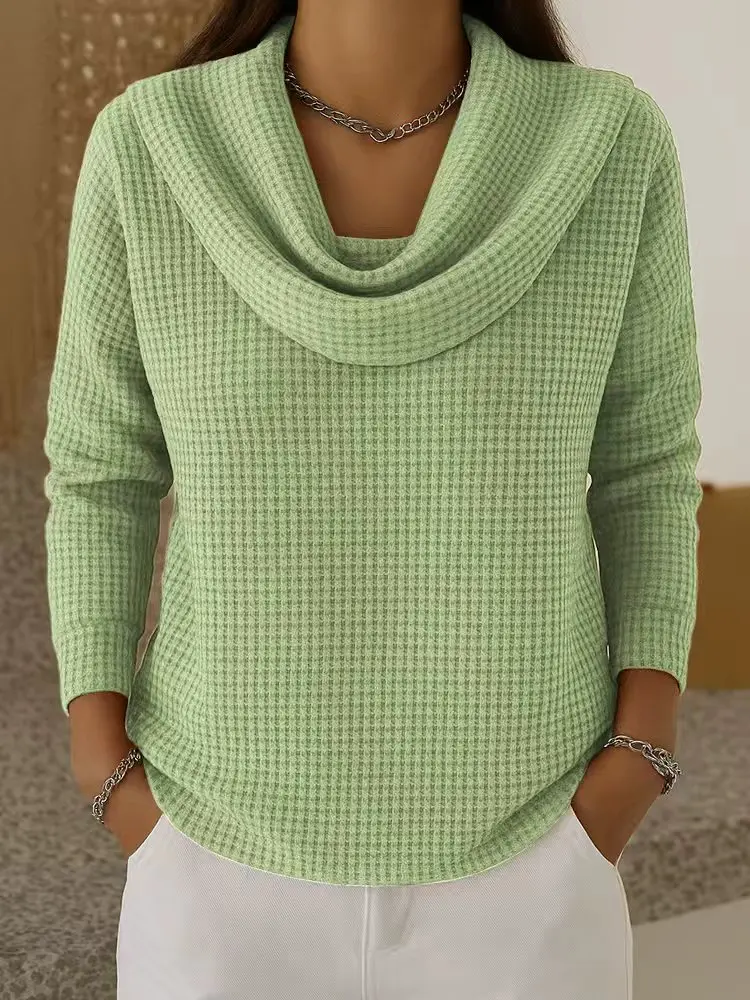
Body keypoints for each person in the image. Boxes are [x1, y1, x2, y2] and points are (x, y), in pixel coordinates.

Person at [42, 1, 702, 997]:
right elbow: (101, 472)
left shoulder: (608, 145)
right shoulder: (152, 146)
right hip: (214, 861)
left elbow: (647, 467)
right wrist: (106, 769)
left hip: (533, 857)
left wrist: (637, 758)